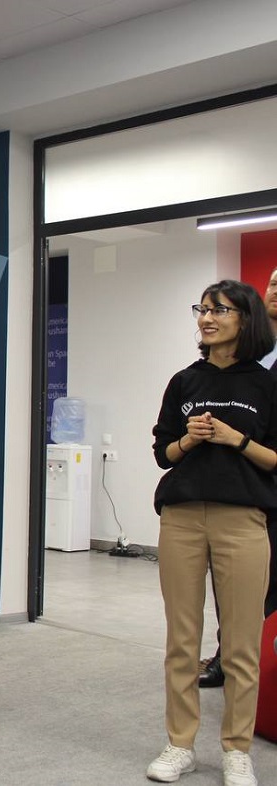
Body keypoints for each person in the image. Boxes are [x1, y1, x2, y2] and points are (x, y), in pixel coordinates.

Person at [147, 280, 277, 786]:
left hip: (243, 520)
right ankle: (179, 744)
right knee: (181, 640)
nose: (206, 318)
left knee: (241, 645)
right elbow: (163, 453)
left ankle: (236, 750)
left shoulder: (266, 385)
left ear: (245, 319)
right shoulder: (185, 381)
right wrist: (189, 439)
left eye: (219, 310)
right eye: (202, 309)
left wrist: (235, 439)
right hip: (181, 517)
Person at [199, 266, 277, 689]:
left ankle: (258, 663)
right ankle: (226, 656)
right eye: (274, 283)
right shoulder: (238, 357)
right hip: (242, 489)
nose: (276, 290)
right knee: (234, 582)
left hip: (268, 471)